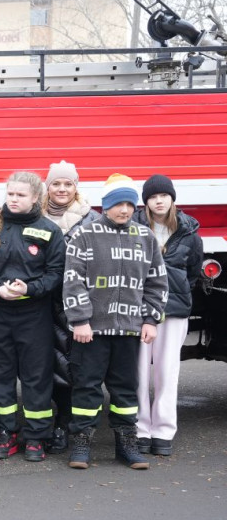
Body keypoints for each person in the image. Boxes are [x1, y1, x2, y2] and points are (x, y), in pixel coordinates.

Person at [63, 173, 168, 469]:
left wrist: (150, 320)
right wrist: (80, 320)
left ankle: (126, 443)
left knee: (126, 388)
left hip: (129, 330)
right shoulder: (84, 235)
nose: (124, 209)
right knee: (86, 386)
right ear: (105, 205)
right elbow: (72, 281)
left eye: (129, 204)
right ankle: (82, 442)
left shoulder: (145, 237)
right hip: (91, 332)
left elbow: (157, 283)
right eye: (118, 203)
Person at [0, 172, 64, 462]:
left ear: (36, 197)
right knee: (0, 376)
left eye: (20, 195)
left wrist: (31, 288)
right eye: (10, 193)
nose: (13, 199)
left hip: (34, 314)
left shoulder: (49, 230)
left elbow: (56, 274)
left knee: (36, 377)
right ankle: (5, 432)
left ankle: (36, 436)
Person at [134, 175, 202, 457]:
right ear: (146, 201)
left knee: (166, 371)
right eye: (152, 196)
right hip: (137, 310)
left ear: (172, 198)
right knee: (137, 372)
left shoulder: (189, 233)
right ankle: (140, 429)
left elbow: (193, 274)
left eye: (164, 195)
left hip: (173, 312)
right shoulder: (133, 229)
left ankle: (163, 430)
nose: (159, 200)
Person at [40, 160, 101, 453]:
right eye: (56, 184)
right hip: (43, 303)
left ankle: (71, 426)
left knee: (78, 367)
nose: (61, 189)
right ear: (47, 187)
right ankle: (57, 423)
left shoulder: (92, 220)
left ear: (76, 187)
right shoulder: (35, 217)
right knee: (50, 366)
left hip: (78, 305)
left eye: (68, 184)